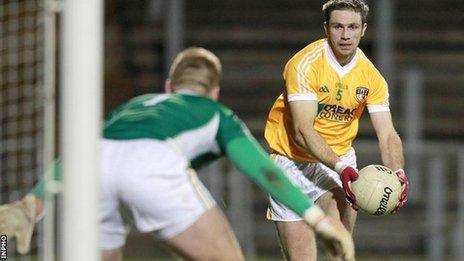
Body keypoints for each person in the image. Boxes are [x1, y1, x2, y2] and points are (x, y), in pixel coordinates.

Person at [0, 47, 355, 261]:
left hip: (94, 170)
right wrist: (319, 221)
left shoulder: (135, 106)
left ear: (169, 87)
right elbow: (265, 171)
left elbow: (84, 152)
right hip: (152, 166)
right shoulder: (215, 113)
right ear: (214, 91)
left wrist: (34, 201)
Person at [264, 0, 409, 260]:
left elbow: (387, 134)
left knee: (341, 251)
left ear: (363, 29)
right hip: (291, 163)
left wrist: (398, 172)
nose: (345, 35)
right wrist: (341, 168)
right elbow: (302, 131)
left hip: (338, 163)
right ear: (326, 28)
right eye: (338, 26)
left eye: (352, 27)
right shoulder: (304, 64)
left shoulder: (371, 77)